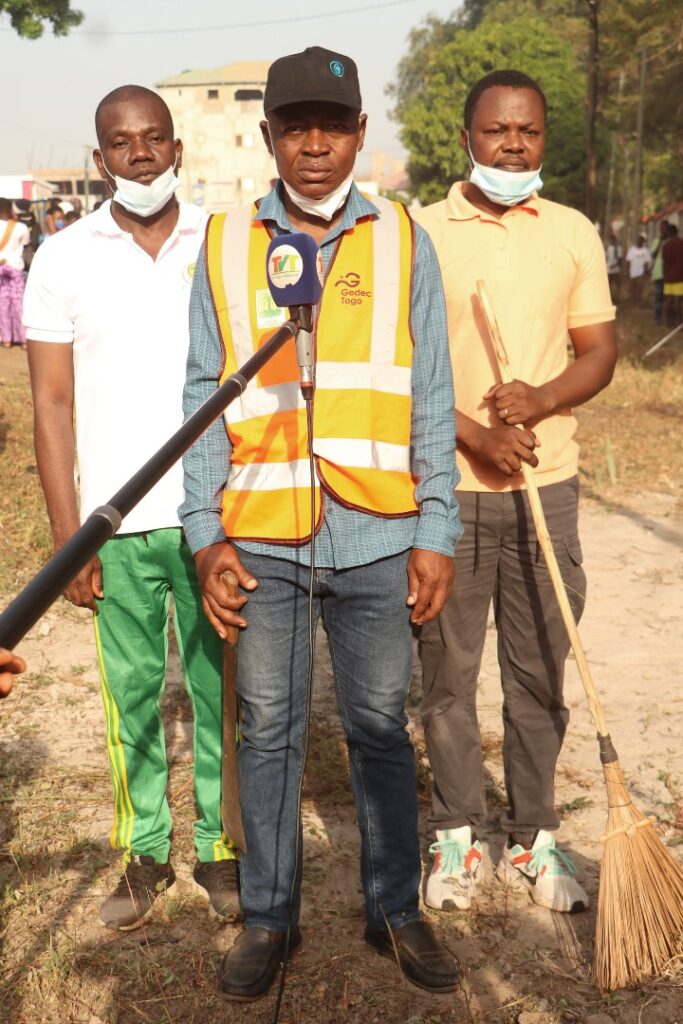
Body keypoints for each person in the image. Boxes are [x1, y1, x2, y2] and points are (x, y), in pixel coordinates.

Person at [181, 46, 462, 1001]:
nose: (313, 145)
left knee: (379, 725)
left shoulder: (403, 237)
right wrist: (204, 533)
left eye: (331, 126)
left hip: (379, 534)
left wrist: (436, 531)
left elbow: (431, 395)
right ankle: (269, 918)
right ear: (268, 136)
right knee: (268, 730)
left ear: (358, 134)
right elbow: (203, 397)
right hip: (261, 533)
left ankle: (395, 909)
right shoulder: (224, 243)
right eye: (294, 126)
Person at [24, 85, 239, 932]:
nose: (140, 153)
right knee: (132, 698)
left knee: (221, 692)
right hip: (112, 525)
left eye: (154, 138)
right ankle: (145, 851)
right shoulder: (63, 257)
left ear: (177, 148)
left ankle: (221, 848)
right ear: (100, 157)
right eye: (122, 141)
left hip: (212, 519)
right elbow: (51, 405)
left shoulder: (222, 243)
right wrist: (69, 539)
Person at [415, 69, 617, 916]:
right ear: (466, 137)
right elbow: (403, 371)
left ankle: (533, 837)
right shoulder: (421, 232)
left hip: (547, 487)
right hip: (449, 492)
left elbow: (597, 352)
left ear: (542, 141)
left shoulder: (571, 231)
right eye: (496, 130)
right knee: (447, 678)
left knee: (538, 675)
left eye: (527, 131)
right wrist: (477, 434)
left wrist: (540, 399)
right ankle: (457, 835)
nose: (512, 145)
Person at [0, 197, 30, 349]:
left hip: (1, 266)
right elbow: (25, 244)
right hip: (15, 267)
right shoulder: (21, 227)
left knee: (2, 304)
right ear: (10, 209)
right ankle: (23, 340)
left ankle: (6, 339)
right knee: (19, 304)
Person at [662, 223, 683, 327]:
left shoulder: (665, 245)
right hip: (679, 275)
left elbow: (665, 262)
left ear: (669, 233)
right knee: (677, 301)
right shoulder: (681, 243)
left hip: (668, 275)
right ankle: (679, 324)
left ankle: (667, 323)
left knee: (668, 300)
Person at [625, 233, 651, 306]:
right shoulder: (632, 250)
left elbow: (646, 262)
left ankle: (638, 302)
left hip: (641, 272)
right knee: (632, 288)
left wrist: (646, 271)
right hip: (632, 272)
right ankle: (632, 302)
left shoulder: (645, 250)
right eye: (638, 240)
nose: (639, 241)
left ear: (643, 241)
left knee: (639, 288)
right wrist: (627, 271)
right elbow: (628, 261)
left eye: (641, 240)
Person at [604, 231, 622, 304]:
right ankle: (608, 298)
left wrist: (613, 265)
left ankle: (617, 298)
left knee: (617, 285)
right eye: (610, 240)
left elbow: (620, 260)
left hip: (616, 270)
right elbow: (605, 257)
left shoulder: (618, 248)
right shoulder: (607, 248)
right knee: (608, 285)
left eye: (612, 240)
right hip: (608, 270)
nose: (611, 241)